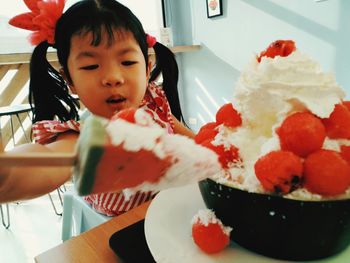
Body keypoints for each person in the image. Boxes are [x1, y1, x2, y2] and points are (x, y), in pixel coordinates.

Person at [0, 0, 194, 216]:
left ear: (147, 68)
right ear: (70, 79)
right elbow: (47, 161)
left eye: (127, 62)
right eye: (91, 66)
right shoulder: (83, 137)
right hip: (124, 230)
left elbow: (187, 138)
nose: (112, 78)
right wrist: (8, 173)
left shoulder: (153, 101)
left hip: (174, 209)